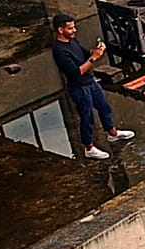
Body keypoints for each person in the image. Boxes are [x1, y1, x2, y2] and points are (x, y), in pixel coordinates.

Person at [51, 14, 134, 159]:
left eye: (74, 27)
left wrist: (96, 51)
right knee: (87, 116)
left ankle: (112, 133)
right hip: (78, 87)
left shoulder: (72, 41)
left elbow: (85, 54)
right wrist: (93, 58)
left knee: (104, 107)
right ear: (60, 30)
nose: (74, 30)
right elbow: (76, 72)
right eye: (70, 28)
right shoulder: (59, 51)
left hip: (90, 82)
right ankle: (88, 147)